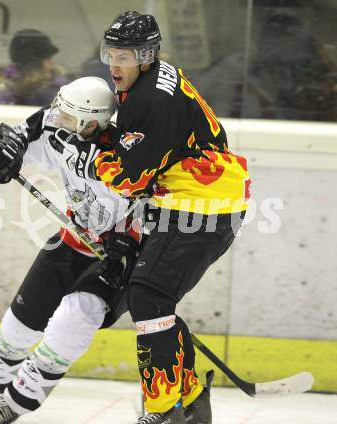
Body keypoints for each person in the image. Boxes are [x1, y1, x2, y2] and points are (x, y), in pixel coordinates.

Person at [48, 10, 251, 424]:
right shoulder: (151, 80)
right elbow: (146, 158)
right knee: (152, 295)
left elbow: (127, 177)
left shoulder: (151, 101)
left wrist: (86, 151)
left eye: (124, 56)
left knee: (148, 293)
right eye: (110, 53)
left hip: (205, 204)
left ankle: (163, 409)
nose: (113, 64)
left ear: (147, 55)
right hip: (190, 197)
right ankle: (190, 400)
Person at [0, 77, 141, 424]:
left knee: (72, 320)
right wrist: (7, 150)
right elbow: (23, 134)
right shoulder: (64, 128)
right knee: (20, 320)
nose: (57, 118)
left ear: (91, 122)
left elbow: (162, 198)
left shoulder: (129, 153)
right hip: (74, 238)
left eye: (67, 116)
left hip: (119, 254)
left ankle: (14, 403)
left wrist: (133, 239)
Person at [0, 29, 69, 106]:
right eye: (47, 58)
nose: (52, 63)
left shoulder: (6, 87)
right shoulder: (45, 90)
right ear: (33, 63)